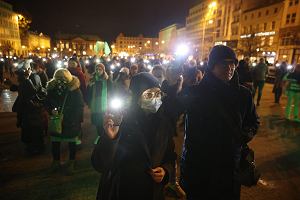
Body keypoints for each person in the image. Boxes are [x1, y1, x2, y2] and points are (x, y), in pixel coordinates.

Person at [180, 45, 259, 200]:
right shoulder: (196, 93)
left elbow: (253, 121)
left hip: (230, 166)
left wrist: (244, 135)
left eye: (233, 64)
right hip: (200, 166)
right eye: (224, 64)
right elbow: (171, 109)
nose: (229, 68)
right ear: (212, 66)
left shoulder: (244, 95)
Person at [91, 72, 176, 200]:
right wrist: (110, 139)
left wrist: (165, 171)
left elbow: (170, 155)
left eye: (158, 94)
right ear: (137, 96)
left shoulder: (164, 123)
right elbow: (99, 164)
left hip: (154, 192)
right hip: (125, 191)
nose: (155, 99)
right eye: (149, 94)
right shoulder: (121, 122)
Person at [45, 68, 84, 173]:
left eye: (63, 78)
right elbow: (47, 102)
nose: (61, 80)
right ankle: (56, 161)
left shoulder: (74, 89)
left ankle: (72, 161)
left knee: (71, 142)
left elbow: (79, 106)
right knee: (55, 142)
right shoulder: (51, 89)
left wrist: (75, 119)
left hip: (70, 121)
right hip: (57, 120)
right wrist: (51, 110)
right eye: (58, 78)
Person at [12, 62, 45, 154]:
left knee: (32, 129)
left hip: (31, 108)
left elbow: (32, 92)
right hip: (30, 108)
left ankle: (35, 147)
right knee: (31, 129)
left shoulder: (30, 79)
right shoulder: (26, 80)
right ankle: (34, 146)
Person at [87, 63, 112, 144]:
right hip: (95, 104)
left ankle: (105, 135)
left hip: (105, 104)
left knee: (105, 120)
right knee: (97, 121)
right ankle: (99, 135)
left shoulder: (107, 79)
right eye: (97, 69)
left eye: (100, 69)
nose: (98, 71)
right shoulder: (92, 79)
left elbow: (112, 90)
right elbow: (88, 93)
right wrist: (90, 86)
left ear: (103, 70)